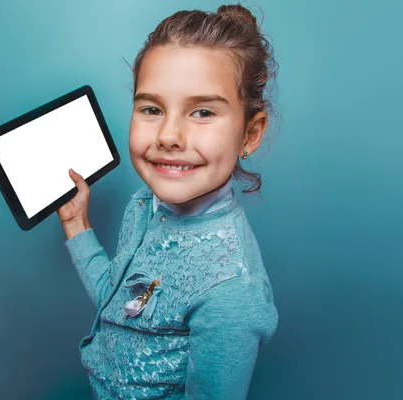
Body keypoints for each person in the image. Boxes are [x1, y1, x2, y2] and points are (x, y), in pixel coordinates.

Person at [57, 4, 279, 399]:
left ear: (250, 134)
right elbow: (122, 303)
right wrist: (77, 225)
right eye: (152, 109)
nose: (169, 135)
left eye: (203, 111)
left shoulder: (231, 289)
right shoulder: (145, 204)